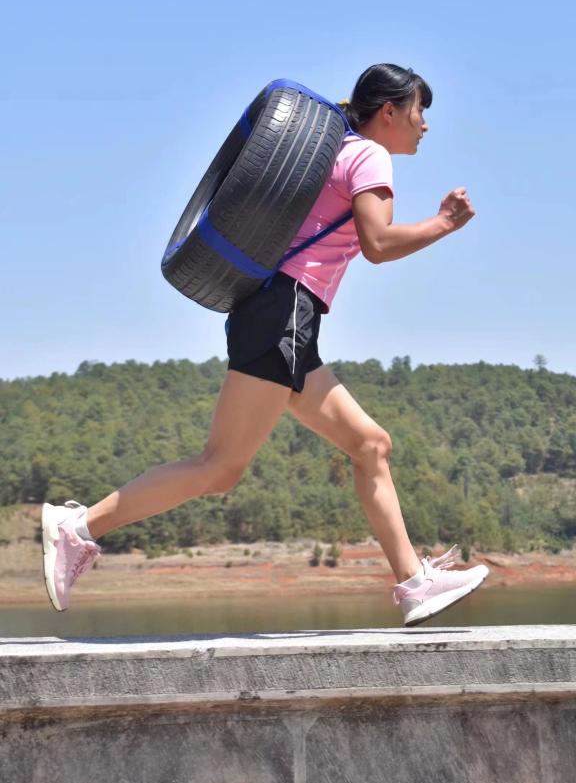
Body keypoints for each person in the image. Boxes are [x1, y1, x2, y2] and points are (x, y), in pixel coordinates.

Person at [41, 63, 489, 626]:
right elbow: (377, 243)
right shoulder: (370, 156)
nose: (425, 125)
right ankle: (77, 527)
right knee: (220, 467)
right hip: (285, 315)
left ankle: (414, 584)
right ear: (389, 111)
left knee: (371, 445)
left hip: (280, 315)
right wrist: (445, 223)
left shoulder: (334, 150)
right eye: (420, 111)